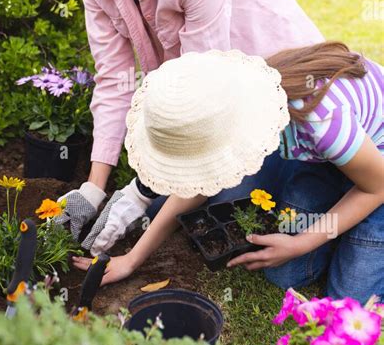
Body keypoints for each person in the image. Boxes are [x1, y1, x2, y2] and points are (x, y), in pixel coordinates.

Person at [32, 0, 323, 258]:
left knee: (224, 206)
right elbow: (115, 79)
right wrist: (93, 189)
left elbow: (200, 95)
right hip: (222, 100)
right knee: (199, 203)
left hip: (289, 97)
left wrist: (140, 191)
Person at [72, 44, 384, 304]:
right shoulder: (243, 103)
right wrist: (132, 259)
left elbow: (376, 187)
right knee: (284, 275)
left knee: (351, 299)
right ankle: (344, 221)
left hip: (376, 166)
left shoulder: (322, 122)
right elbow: (200, 185)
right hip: (330, 157)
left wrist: (302, 243)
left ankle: (354, 229)